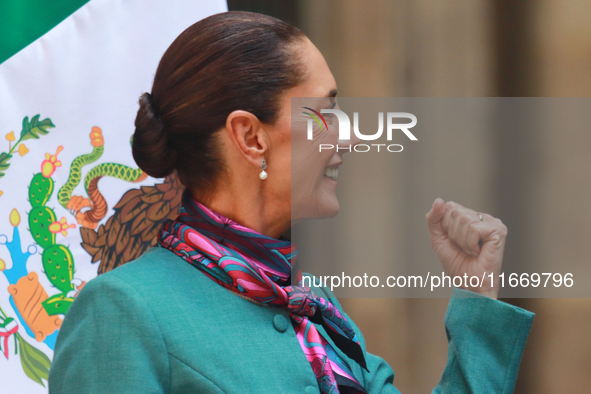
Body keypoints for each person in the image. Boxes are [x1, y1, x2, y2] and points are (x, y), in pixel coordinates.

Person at [48, 11, 534, 394]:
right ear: (250, 136)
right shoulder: (123, 311)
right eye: (326, 111)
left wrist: (476, 295)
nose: (346, 135)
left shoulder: (317, 308)